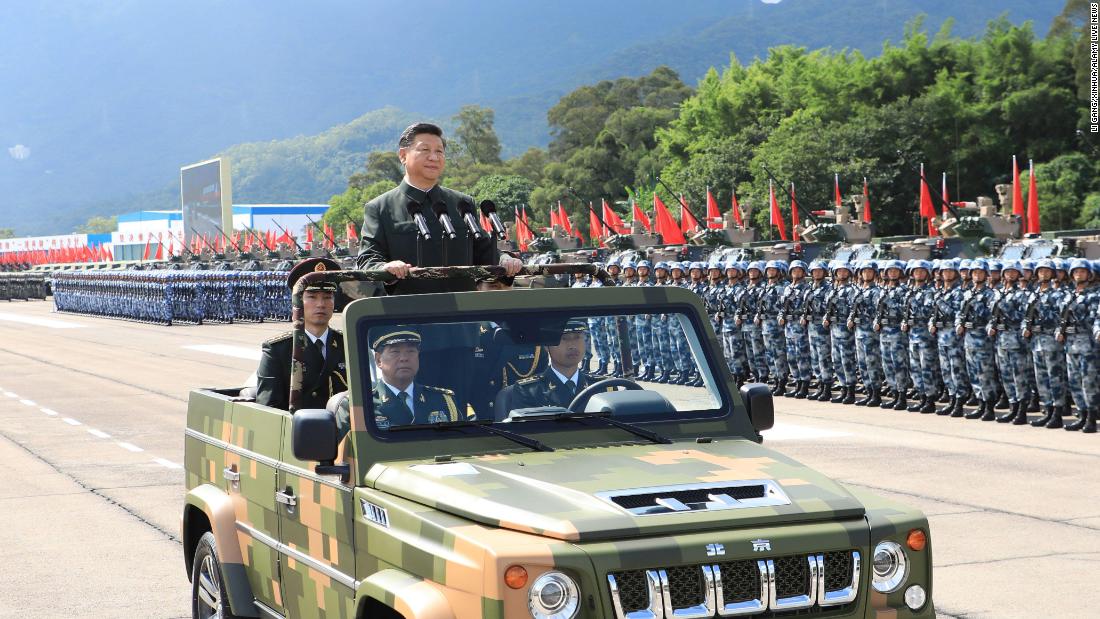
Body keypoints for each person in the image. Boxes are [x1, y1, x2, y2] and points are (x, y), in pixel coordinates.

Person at [356, 122, 522, 294]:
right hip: (407, 313)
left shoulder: (462, 203)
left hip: (462, 314)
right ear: (403, 155)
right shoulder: (380, 207)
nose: (434, 157)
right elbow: (368, 258)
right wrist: (386, 268)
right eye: (425, 150)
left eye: (439, 151)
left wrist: (504, 258)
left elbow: (482, 250)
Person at [255, 258, 348, 411]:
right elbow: (270, 408)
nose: (321, 304)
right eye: (312, 296)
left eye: (327, 296)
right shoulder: (278, 350)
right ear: (297, 301)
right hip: (300, 432)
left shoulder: (348, 343)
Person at [370, 327, 459, 428]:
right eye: (395, 352)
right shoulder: (365, 405)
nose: (404, 358)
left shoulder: (443, 401)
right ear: (378, 360)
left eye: (411, 351)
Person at [511, 321, 605, 410]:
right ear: (547, 346)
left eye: (577, 337)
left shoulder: (602, 386)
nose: (572, 345)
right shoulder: (529, 391)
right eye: (563, 338)